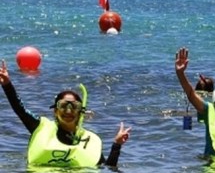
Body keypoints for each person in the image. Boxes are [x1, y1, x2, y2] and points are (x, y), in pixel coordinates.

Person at [0, 60, 130, 167]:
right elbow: (19, 109)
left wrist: (116, 145)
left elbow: (108, 168)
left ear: (81, 112)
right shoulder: (40, 127)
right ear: (55, 111)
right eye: (63, 106)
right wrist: (7, 84)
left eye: (74, 107)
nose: (68, 111)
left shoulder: (90, 141)